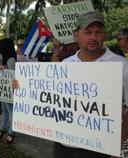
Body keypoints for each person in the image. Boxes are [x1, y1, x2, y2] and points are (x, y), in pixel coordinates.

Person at [13, 12, 128, 158]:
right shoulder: (67, 64)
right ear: (76, 36)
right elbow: (51, 96)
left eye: (98, 32)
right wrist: (22, 87)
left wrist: (118, 142)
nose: (93, 37)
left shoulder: (122, 66)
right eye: (88, 32)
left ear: (104, 35)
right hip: (63, 146)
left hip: (99, 150)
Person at [0, 38, 17, 143]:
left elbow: (13, 75)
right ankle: (2, 128)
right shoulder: (4, 59)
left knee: (11, 111)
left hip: (10, 91)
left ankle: (11, 132)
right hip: (4, 90)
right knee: (4, 110)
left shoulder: (11, 60)